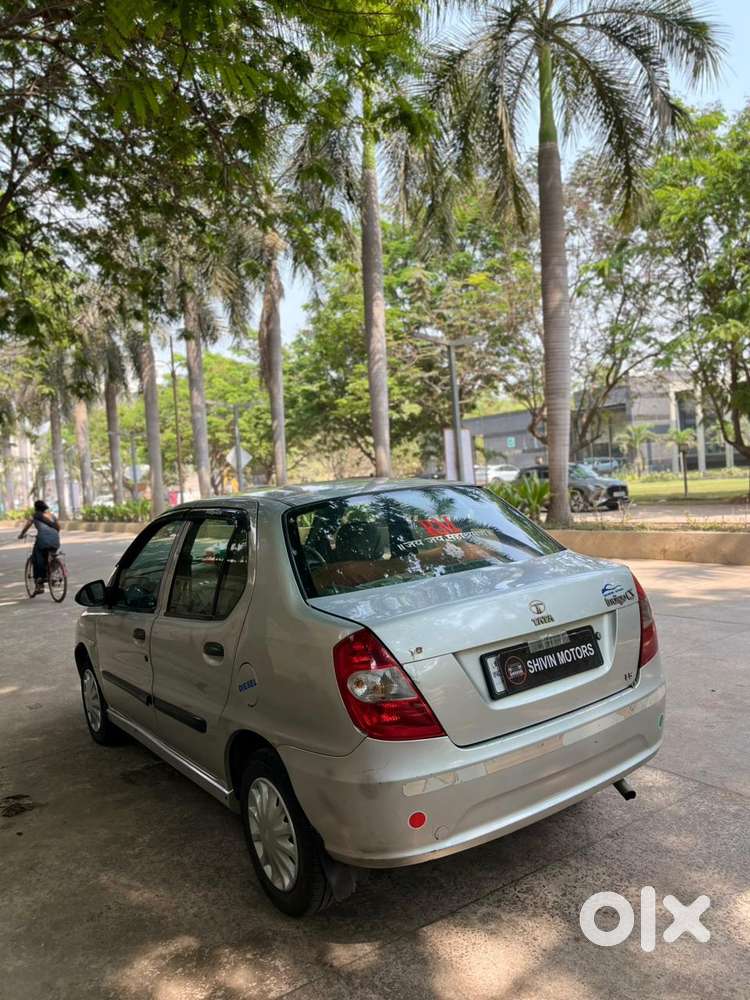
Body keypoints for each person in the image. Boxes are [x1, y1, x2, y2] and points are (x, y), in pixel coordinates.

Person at [18, 500, 61, 596]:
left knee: (36, 558)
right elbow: (58, 527)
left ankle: (39, 583)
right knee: (51, 556)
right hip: (55, 540)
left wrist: (21, 534)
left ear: (36, 508)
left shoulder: (35, 515)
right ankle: (52, 575)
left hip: (43, 540)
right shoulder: (51, 515)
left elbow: (28, 525)